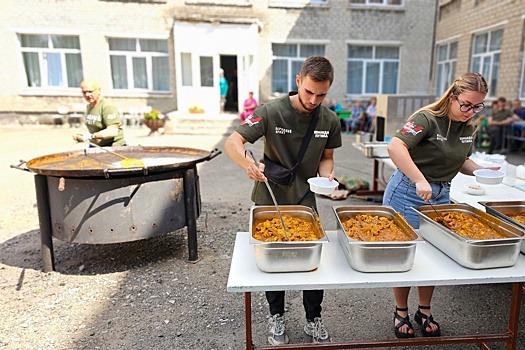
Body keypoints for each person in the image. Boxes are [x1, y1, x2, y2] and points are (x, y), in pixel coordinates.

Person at [224, 56, 341, 345]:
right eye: (309, 92)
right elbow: (233, 142)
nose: (314, 100)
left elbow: (327, 159)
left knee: (312, 263)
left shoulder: (330, 119)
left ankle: (313, 318)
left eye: (322, 94)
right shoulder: (271, 111)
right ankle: (276, 316)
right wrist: (247, 164)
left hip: (305, 200)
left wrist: (326, 177)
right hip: (270, 197)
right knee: (274, 259)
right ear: (298, 81)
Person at [382, 72, 494, 339]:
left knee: (434, 255)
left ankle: (424, 310)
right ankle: (400, 311)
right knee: (406, 255)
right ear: (452, 96)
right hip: (409, 191)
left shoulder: (468, 127)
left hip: (441, 194)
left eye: (477, 106)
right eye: (466, 104)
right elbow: (396, 147)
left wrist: (482, 170)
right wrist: (420, 179)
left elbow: (462, 161)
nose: (470, 111)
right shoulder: (427, 118)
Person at [72, 79, 126, 146]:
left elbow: (113, 131)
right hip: (96, 145)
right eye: (84, 92)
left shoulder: (107, 107)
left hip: (112, 147)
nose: (87, 95)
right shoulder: (89, 106)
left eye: (90, 91)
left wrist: (91, 136)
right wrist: (83, 136)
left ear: (99, 90)